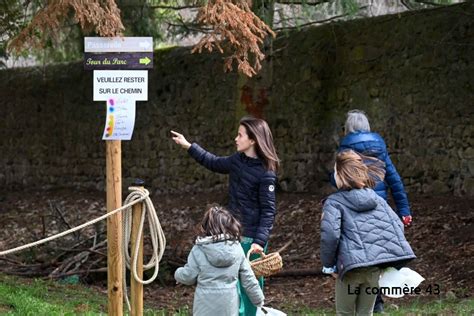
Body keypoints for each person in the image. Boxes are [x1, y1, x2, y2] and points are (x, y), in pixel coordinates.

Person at [171, 116, 279, 316]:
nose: (236, 138)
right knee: (232, 290)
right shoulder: (237, 161)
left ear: (253, 140)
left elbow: (268, 211)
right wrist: (188, 146)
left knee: (249, 290)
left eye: (240, 135)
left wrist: (259, 241)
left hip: (252, 240)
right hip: (232, 237)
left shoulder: (266, 173)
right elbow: (213, 162)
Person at [321, 150, 416, 316]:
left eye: (335, 171)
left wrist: (329, 266)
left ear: (341, 175)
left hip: (350, 271)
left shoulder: (333, 203)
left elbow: (330, 235)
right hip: (373, 272)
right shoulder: (377, 200)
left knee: (345, 314)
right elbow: (397, 226)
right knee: (366, 313)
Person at [335, 109, 413, 313]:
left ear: (348, 128)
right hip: (378, 208)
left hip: (352, 210)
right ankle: (374, 303)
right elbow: (395, 181)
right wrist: (404, 210)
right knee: (377, 255)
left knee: (359, 255)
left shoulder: (344, 149)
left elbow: (334, 178)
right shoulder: (380, 148)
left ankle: (354, 302)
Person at [175, 205, 264, 316]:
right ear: (231, 226)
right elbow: (249, 279)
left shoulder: (199, 249)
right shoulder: (237, 248)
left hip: (204, 304)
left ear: (206, 226)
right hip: (229, 304)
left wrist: (178, 274)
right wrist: (259, 300)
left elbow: (188, 276)